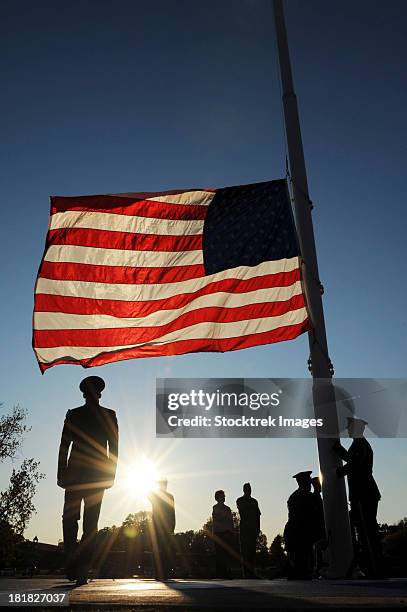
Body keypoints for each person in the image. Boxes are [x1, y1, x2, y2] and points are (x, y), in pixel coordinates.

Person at [57, 376, 118, 585]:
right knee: (70, 519)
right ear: (86, 395)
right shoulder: (73, 414)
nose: (92, 395)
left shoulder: (109, 415)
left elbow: (114, 449)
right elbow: (64, 444)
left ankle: (82, 566)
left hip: (95, 476)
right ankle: (74, 564)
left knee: (89, 523)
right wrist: (61, 472)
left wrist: (111, 474)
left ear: (98, 394)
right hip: (77, 475)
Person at [333, 417, 384, 577]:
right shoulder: (361, 444)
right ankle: (374, 567)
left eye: (349, 428)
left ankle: (374, 569)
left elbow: (353, 464)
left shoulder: (359, 444)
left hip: (363, 494)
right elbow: (352, 460)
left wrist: (338, 472)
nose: (347, 430)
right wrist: (339, 451)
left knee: (367, 533)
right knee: (366, 531)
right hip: (365, 493)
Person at [283, 471, 316, 580]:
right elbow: (314, 511)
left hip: (295, 532)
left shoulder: (294, 496)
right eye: (309, 482)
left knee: (298, 565)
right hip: (301, 533)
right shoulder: (306, 496)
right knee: (303, 566)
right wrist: (317, 492)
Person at [149, 479, 176, 580]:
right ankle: (159, 572)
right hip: (158, 525)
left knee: (164, 550)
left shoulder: (168, 496)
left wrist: (173, 525)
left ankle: (163, 572)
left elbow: (172, 511)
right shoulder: (156, 495)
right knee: (159, 549)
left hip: (165, 525)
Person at [236, 482, 261, 578]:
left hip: (252, 529)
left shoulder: (254, 501)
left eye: (249, 489)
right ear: (244, 490)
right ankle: (246, 574)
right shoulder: (240, 500)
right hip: (244, 529)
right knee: (245, 552)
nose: (249, 491)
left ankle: (252, 572)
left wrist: (258, 528)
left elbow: (258, 515)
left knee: (252, 552)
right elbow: (242, 511)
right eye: (247, 489)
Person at [212, 490, 235, 579]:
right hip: (219, 533)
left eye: (224, 496)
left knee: (226, 553)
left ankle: (226, 572)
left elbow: (230, 521)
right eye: (222, 496)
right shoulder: (215, 508)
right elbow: (217, 519)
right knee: (219, 554)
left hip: (227, 533)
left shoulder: (227, 509)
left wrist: (232, 531)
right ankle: (220, 573)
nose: (224, 497)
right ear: (218, 497)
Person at [311, 476, 326, 576]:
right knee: (318, 549)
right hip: (317, 527)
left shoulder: (317, 497)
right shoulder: (315, 498)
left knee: (318, 549)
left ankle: (318, 568)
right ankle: (317, 569)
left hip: (319, 526)